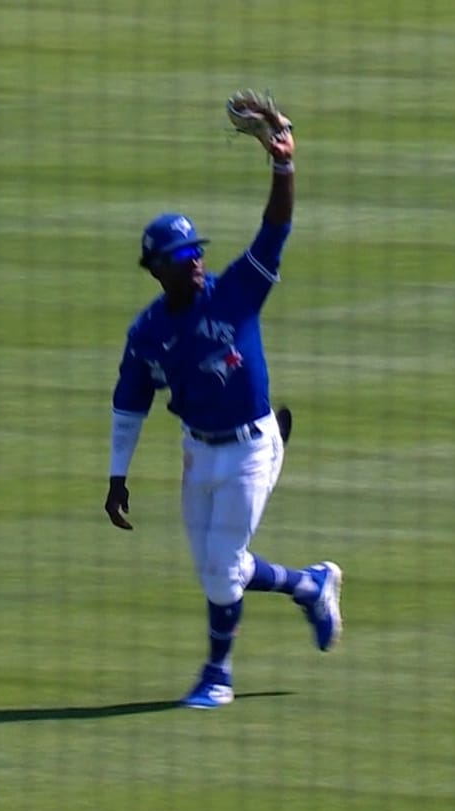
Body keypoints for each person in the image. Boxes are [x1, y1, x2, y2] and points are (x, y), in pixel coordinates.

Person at [103, 121, 343, 710]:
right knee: (218, 569)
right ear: (156, 268)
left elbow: (275, 229)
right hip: (197, 450)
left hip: (252, 445)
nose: (194, 263)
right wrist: (116, 477)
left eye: (196, 252)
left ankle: (218, 674)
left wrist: (283, 164)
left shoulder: (234, 292)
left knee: (220, 568)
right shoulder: (149, 332)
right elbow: (129, 405)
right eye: (181, 256)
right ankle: (311, 585)